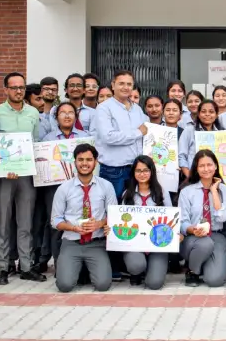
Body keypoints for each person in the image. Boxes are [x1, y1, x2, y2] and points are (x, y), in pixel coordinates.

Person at [0, 72, 43, 284]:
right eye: (14, 87)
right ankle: (3, 267)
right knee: (3, 221)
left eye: (21, 87)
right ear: (5, 90)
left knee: (25, 222)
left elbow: (36, 141)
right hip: (4, 176)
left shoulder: (33, 113)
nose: (18, 91)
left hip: (27, 174)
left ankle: (26, 265)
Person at [34, 101, 91, 273]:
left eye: (70, 113)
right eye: (62, 113)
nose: (67, 116)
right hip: (54, 187)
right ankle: (57, 259)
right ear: (56, 117)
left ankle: (78, 258)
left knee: (77, 218)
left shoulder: (84, 137)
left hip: (79, 186)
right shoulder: (48, 139)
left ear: (76, 116)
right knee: (56, 223)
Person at [51, 143, 116, 293]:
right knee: (65, 286)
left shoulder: (106, 186)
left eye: (89, 159)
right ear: (75, 162)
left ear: (95, 162)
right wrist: (73, 228)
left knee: (103, 285)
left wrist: (99, 224)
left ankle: (84, 270)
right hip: (71, 242)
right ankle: (77, 270)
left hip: (96, 243)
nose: (85, 163)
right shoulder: (64, 189)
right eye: (80, 160)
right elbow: (55, 221)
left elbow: (113, 215)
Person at [89, 70, 148, 199]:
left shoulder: (137, 109)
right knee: (113, 209)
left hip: (136, 168)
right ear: (113, 85)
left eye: (129, 84)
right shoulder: (104, 108)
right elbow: (109, 136)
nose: (125, 87)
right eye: (121, 83)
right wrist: (138, 132)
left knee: (132, 208)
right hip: (114, 170)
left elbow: (147, 134)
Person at [178, 150, 226, 287]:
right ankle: (193, 271)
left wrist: (214, 192)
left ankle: (204, 266)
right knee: (204, 244)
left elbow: (223, 217)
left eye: (209, 165)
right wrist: (192, 229)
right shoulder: (186, 192)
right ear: (196, 168)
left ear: (215, 167)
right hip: (193, 239)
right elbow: (182, 222)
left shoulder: (225, 190)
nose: (206, 169)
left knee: (215, 280)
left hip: (216, 236)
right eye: (201, 166)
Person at [119, 155, 171, 290]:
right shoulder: (127, 194)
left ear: (152, 171)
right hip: (134, 244)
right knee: (136, 265)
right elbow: (120, 220)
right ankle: (137, 271)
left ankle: (152, 269)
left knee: (154, 283)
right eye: (138, 171)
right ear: (133, 173)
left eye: (146, 170)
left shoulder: (162, 193)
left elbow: (171, 219)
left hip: (157, 245)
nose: (142, 174)